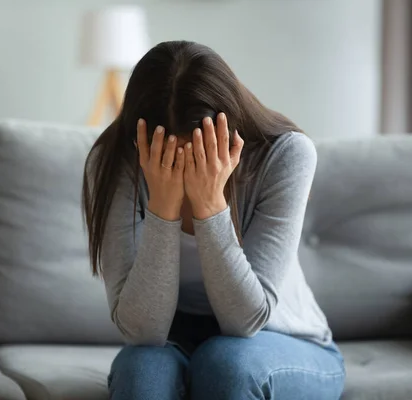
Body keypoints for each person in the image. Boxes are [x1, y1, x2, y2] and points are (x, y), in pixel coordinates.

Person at [83, 40, 345, 400]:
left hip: (281, 339)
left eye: (200, 153)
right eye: (169, 158)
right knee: (140, 373)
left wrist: (209, 204)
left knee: (226, 365)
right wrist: (163, 206)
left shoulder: (286, 154)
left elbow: (246, 320)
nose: (187, 169)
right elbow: (142, 332)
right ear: (139, 139)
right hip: (173, 340)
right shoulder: (114, 163)